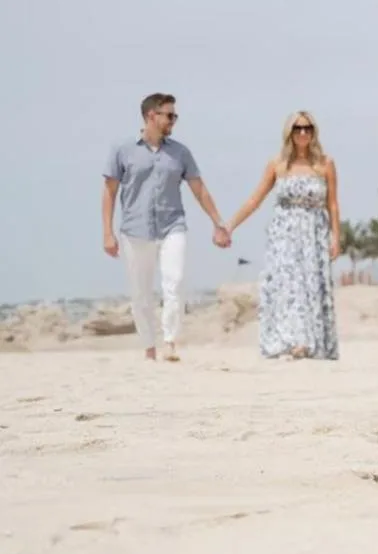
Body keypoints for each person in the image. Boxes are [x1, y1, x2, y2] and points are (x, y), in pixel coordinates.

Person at [102, 93, 230, 361]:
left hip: (173, 225)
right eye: (170, 115)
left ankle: (170, 341)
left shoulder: (180, 153)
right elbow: (110, 192)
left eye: (175, 116)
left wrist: (218, 222)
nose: (174, 120)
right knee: (141, 293)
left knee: (175, 281)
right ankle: (149, 347)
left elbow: (199, 189)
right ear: (151, 115)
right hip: (134, 230)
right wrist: (107, 233)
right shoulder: (122, 150)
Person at [224, 111, 340, 360]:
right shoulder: (277, 165)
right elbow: (255, 200)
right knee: (288, 286)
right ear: (289, 133)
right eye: (298, 128)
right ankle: (293, 341)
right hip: (284, 235)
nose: (303, 133)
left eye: (308, 128)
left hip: (314, 234)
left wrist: (336, 237)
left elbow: (332, 204)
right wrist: (230, 225)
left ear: (314, 132)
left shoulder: (325, 164)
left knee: (311, 286)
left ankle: (308, 341)